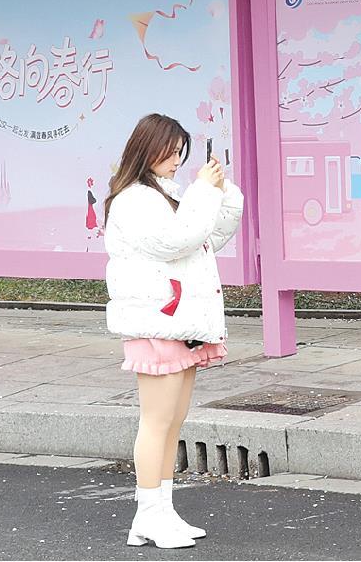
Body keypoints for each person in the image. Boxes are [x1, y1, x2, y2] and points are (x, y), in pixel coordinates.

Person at [102, 113, 244, 548]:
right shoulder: (134, 199)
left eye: (181, 152)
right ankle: (148, 514)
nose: (177, 160)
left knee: (172, 421)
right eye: (171, 151)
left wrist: (222, 193)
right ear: (148, 148)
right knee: (157, 421)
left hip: (177, 322)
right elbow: (175, 240)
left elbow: (205, 237)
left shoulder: (168, 194)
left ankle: (160, 511)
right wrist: (204, 191)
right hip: (156, 322)